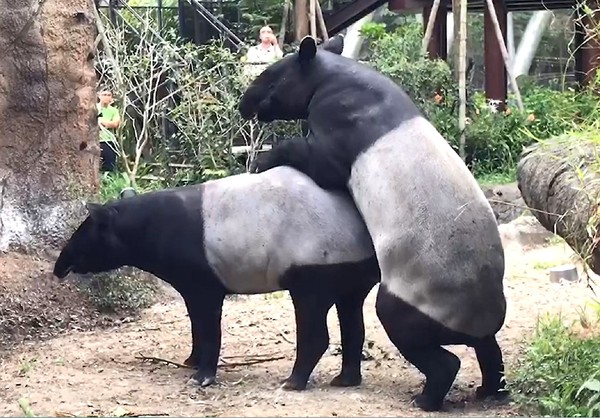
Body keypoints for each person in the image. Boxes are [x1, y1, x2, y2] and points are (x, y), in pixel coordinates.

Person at [96, 89, 121, 172]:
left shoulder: (114, 111)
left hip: (109, 141)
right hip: (95, 140)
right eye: (104, 94)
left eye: (109, 95)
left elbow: (115, 124)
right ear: (99, 96)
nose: (106, 97)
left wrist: (102, 122)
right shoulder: (94, 108)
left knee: (109, 167)